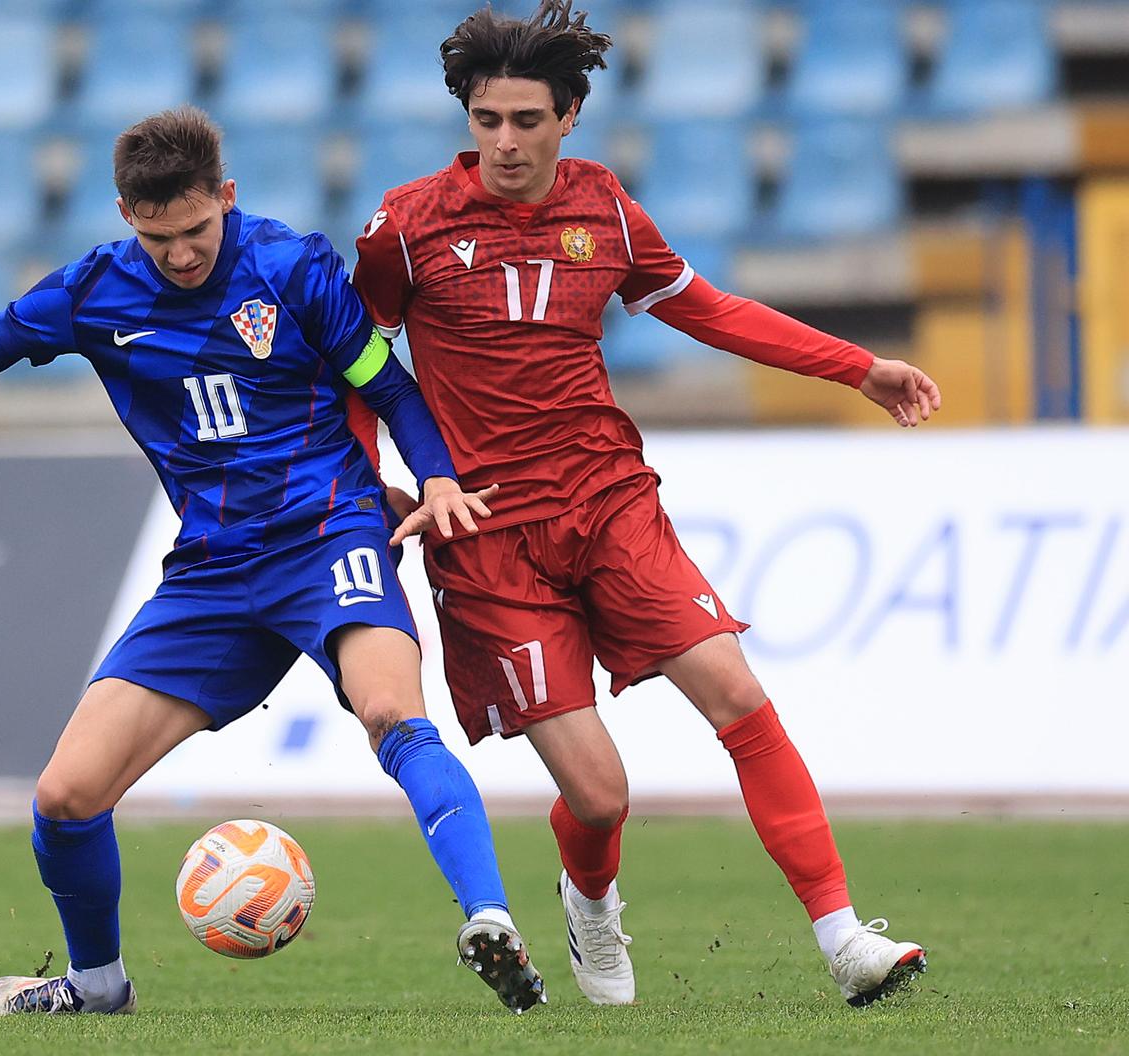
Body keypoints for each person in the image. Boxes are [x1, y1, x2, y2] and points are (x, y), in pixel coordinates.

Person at [0, 107, 547, 1015]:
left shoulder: (293, 267)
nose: (180, 256)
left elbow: (390, 386)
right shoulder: (92, 291)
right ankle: (96, 985)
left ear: (226, 196)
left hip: (329, 534)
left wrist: (439, 477)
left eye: (196, 231)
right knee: (66, 796)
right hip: (213, 572)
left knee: (390, 710)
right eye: (157, 238)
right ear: (123, 214)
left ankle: (488, 920)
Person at [350, 1, 937, 1009]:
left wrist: (856, 369)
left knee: (739, 697)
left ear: (569, 115)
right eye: (487, 120)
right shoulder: (405, 228)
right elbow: (354, 368)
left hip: (608, 502)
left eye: (526, 120)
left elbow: (709, 311)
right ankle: (588, 902)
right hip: (490, 540)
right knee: (600, 793)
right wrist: (377, 487)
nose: (504, 142)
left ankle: (844, 939)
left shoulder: (605, 210)